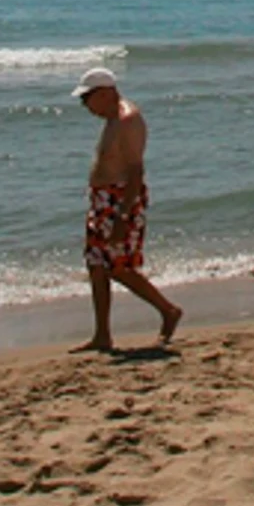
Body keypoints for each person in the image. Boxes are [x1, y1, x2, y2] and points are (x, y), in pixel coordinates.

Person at [71, 67, 184, 352]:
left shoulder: (127, 120)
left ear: (106, 93)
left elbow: (135, 171)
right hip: (102, 200)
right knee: (96, 265)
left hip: (120, 200)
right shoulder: (110, 119)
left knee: (120, 268)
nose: (85, 107)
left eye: (88, 99)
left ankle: (168, 310)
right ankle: (102, 335)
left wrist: (123, 215)